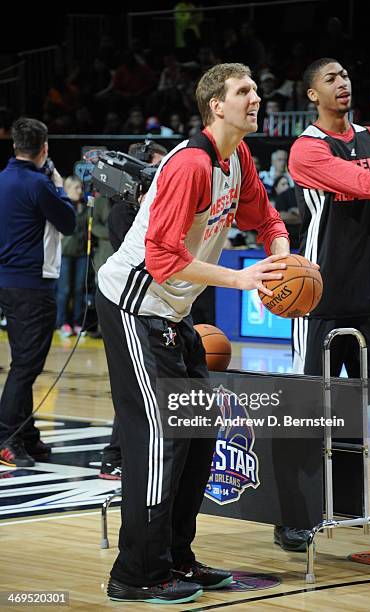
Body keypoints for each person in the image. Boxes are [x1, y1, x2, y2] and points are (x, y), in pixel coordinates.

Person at [96, 62, 290, 604]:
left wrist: (280, 261)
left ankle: (175, 559)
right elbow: (161, 258)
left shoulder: (239, 158)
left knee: (201, 432)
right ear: (216, 106)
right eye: (244, 91)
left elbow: (268, 219)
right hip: (134, 304)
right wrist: (241, 278)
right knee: (161, 437)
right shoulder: (190, 164)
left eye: (256, 89)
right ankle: (135, 574)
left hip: (172, 312)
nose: (256, 97)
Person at [285, 57, 370, 552]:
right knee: (310, 413)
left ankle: (362, 511)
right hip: (319, 297)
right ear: (312, 94)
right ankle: (292, 517)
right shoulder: (305, 150)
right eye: (330, 79)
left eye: (346, 76)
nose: (343, 84)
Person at [0, 117, 76, 468]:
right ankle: (6, 437)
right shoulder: (39, 184)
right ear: (44, 149)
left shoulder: (2, 179)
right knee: (26, 367)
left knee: (22, 364)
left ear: (15, 145)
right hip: (32, 283)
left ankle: (26, 435)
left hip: (8, 282)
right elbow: (69, 223)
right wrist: (59, 186)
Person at [99, 140, 168, 481]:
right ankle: (114, 456)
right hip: (130, 305)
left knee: (154, 388)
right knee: (133, 387)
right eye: (154, 169)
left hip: (163, 305)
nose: (161, 176)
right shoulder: (122, 213)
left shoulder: (155, 208)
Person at [56, 176, 88, 337]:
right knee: (64, 290)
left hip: (82, 254)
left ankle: (77, 322)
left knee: (79, 289)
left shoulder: (84, 206)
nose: (79, 191)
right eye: (76, 188)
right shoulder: (63, 205)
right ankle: (62, 323)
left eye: (80, 188)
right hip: (65, 254)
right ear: (67, 189)